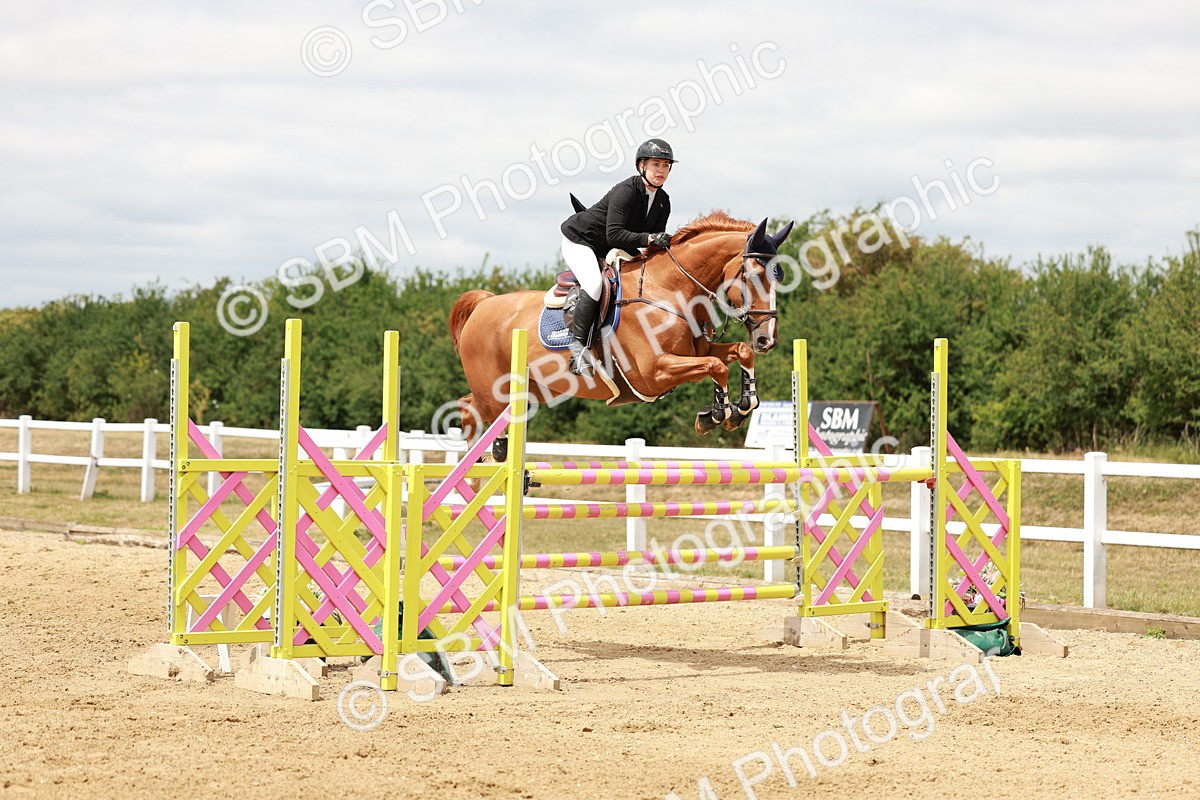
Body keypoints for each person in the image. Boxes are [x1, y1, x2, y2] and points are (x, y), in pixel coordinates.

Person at [559, 138, 675, 376]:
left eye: (665, 165)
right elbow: (615, 234)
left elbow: (649, 243)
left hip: (612, 245)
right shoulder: (626, 191)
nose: (661, 170)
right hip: (581, 241)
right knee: (593, 285)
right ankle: (578, 351)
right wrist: (651, 239)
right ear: (642, 166)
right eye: (656, 164)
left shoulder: (663, 201)